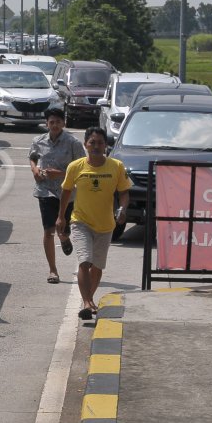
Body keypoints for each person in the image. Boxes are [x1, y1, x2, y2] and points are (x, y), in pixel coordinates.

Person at [56, 126, 131, 320]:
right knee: (85, 261)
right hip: (81, 221)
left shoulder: (116, 166)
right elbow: (65, 192)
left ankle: (88, 301)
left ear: (106, 145)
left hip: (106, 225)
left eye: (100, 143)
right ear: (85, 145)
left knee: (97, 266)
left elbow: (124, 192)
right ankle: (88, 302)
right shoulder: (76, 167)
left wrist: (122, 210)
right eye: (92, 143)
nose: (96, 146)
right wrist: (61, 216)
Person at [29, 108, 84, 284]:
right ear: (47, 123)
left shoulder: (73, 143)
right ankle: (53, 270)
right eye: (51, 122)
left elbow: (82, 167)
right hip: (45, 190)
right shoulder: (38, 141)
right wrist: (35, 170)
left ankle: (65, 238)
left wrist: (59, 174)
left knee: (62, 227)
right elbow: (32, 157)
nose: (54, 125)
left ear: (63, 123)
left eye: (58, 122)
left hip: (66, 192)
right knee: (48, 230)